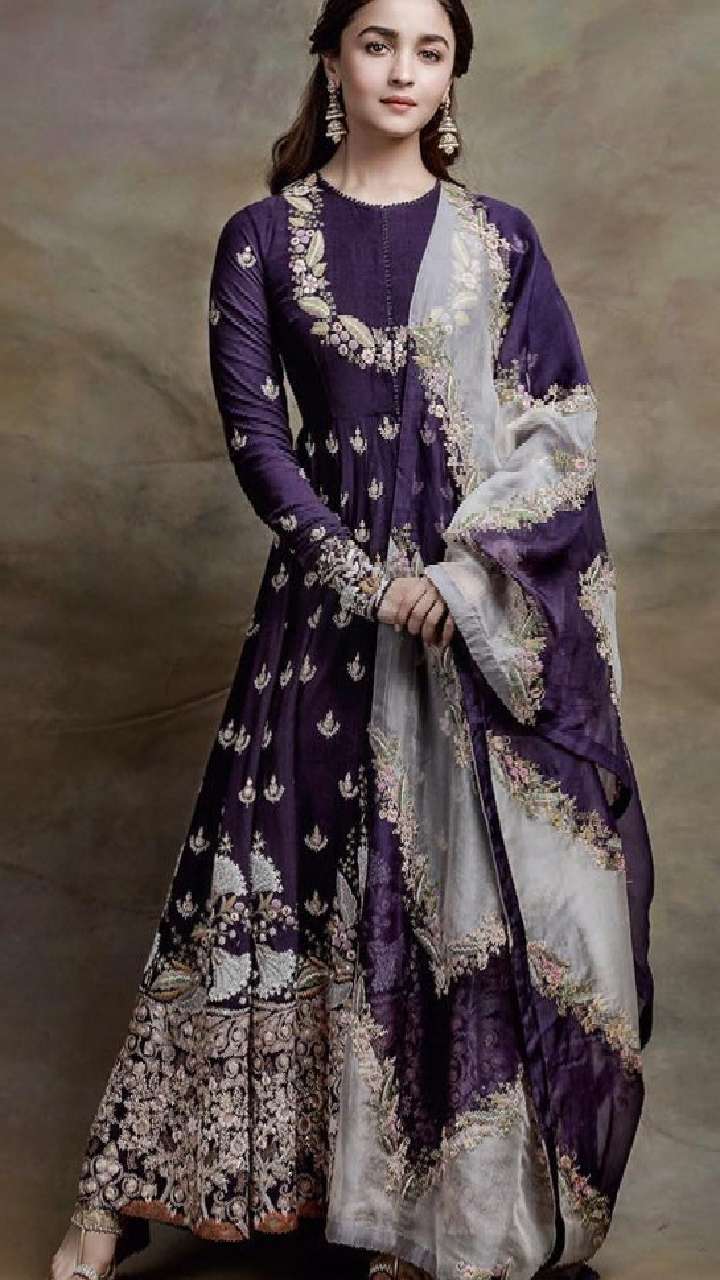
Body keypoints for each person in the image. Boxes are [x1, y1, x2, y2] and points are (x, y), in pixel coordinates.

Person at [49, 1, 655, 1278]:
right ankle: (120, 1195)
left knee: (461, 901)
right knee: (258, 878)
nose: (403, 71)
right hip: (318, 626)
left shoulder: (501, 241)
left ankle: (432, 1205)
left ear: (453, 75)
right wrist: (359, 575)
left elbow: (558, 433)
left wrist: (462, 577)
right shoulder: (263, 238)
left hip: (465, 629)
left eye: (431, 50)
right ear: (332, 58)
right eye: (379, 42)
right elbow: (256, 436)